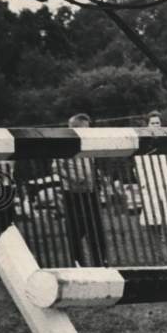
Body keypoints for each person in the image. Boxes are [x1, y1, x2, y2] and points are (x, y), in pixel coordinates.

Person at [53, 113, 108, 267]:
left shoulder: (88, 145)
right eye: (86, 129)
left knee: (96, 230)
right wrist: (73, 178)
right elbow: (56, 168)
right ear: (75, 129)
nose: (89, 131)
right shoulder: (64, 145)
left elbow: (92, 166)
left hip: (90, 193)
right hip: (72, 194)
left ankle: (100, 262)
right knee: (76, 231)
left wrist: (96, 176)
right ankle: (78, 262)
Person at [134, 111, 167, 237]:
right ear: (147, 126)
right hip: (150, 184)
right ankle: (156, 237)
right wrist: (145, 182)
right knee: (151, 213)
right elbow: (137, 166)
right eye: (152, 123)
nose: (156, 125)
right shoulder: (143, 144)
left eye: (158, 123)